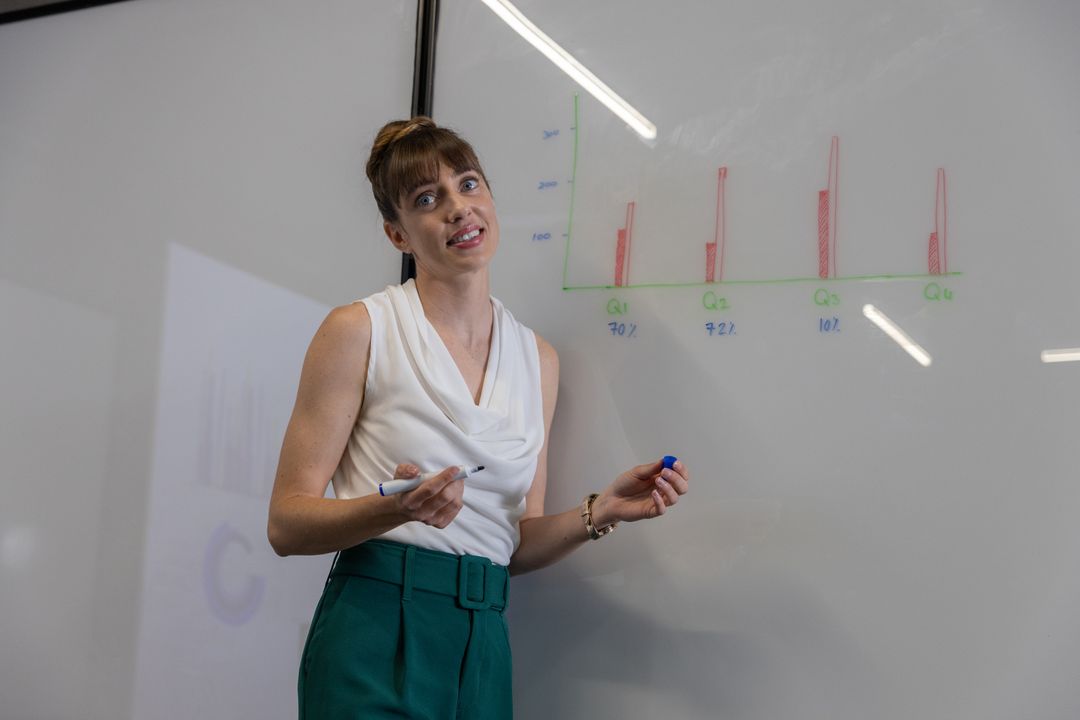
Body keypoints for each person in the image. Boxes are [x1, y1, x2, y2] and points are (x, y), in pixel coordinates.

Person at [267, 117, 690, 719]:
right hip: (376, 628)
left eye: (468, 185)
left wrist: (601, 511)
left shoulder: (538, 358)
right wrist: (393, 507)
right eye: (427, 199)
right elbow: (286, 524)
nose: (459, 210)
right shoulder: (359, 329)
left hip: (484, 642)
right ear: (398, 235)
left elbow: (511, 542)